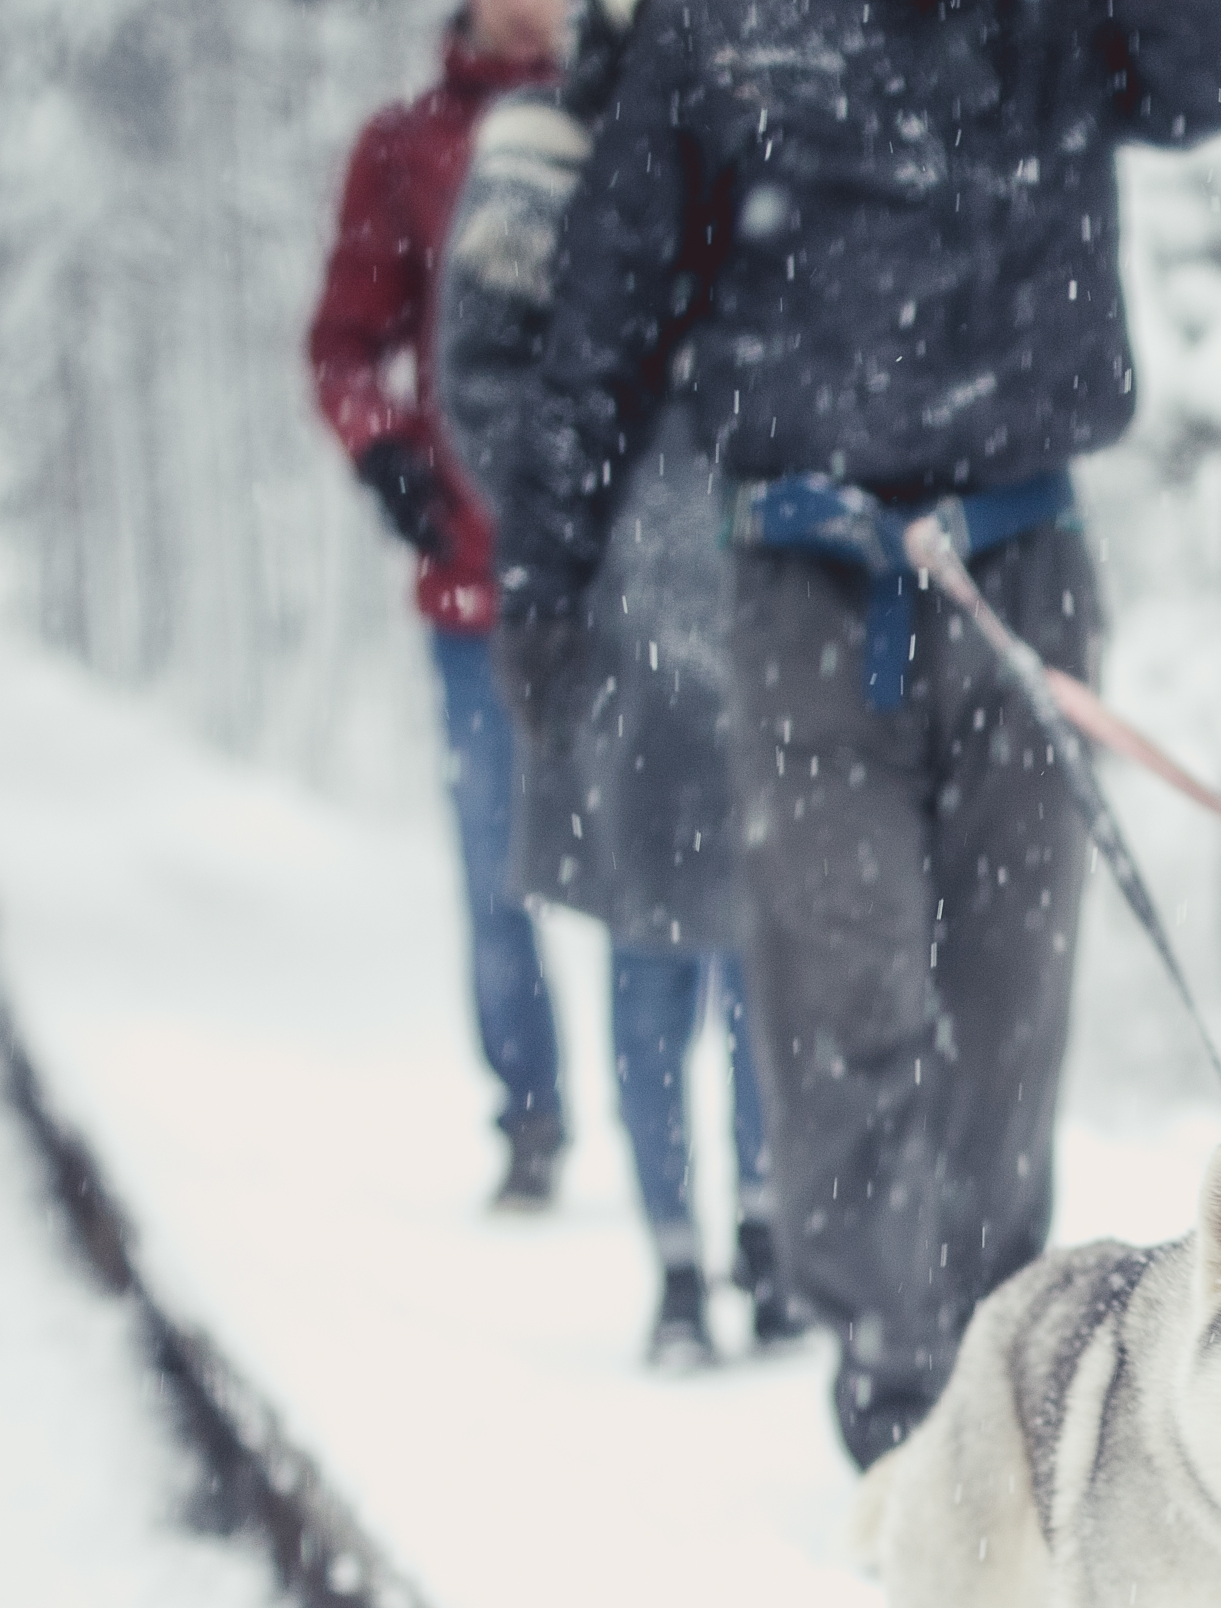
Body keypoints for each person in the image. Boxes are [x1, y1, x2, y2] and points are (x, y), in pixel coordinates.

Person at [473, 0, 1221, 1462]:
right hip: (806, 583)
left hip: (1022, 562)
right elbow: (605, 318)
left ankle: (991, 1363)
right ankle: (896, 1366)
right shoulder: (716, 30)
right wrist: (545, 580)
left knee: (1006, 1005)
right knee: (844, 988)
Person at [439, 3, 789, 1369]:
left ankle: (769, 1224)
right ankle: (678, 1266)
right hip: (614, 607)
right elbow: (483, 375)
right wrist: (605, 508)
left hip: (769, 585)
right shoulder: (543, 138)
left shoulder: (772, 104)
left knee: (772, 928)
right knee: (653, 938)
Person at [308, 0, 569, 1209]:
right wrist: (387, 457)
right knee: (496, 865)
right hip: (473, 580)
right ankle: (528, 1112)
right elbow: (346, 345)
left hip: (621, 582)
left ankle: (690, 1160)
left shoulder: (629, 109)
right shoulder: (404, 146)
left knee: (663, 860)